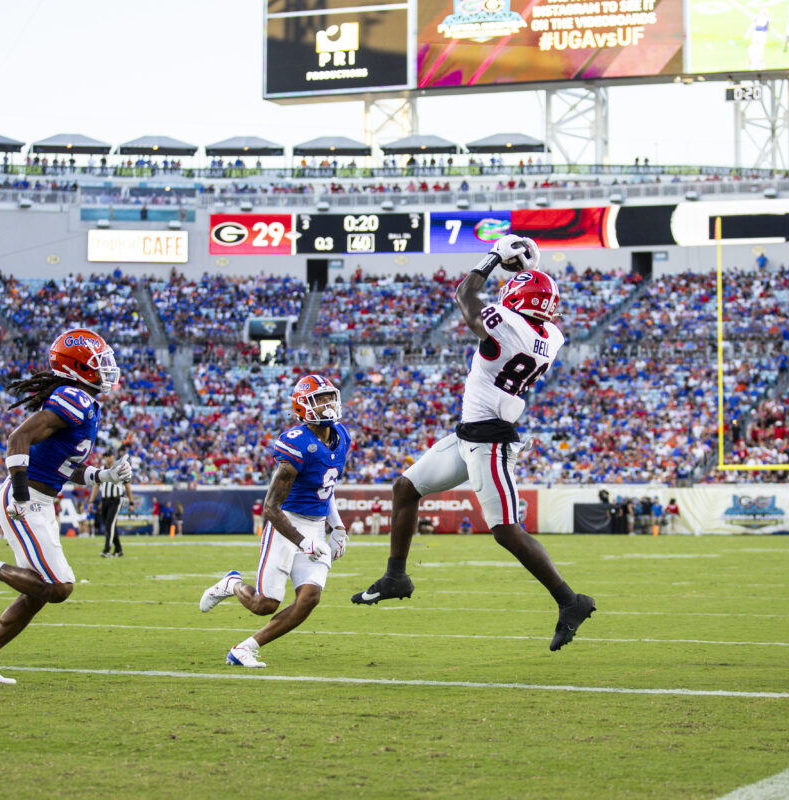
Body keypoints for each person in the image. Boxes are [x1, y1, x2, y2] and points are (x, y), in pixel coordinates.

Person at [351, 235, 595, 651]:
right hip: (469, 434)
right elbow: (530, 306)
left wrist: (495, 257)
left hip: (491, 443)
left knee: (505, 531)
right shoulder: (551, 335)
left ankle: (571, 602)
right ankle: (396, 575)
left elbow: (465, 294)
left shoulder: (507, 324)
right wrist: (525, 273)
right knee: (405, 488)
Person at [0, 328, 133, 684]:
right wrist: (19, 493)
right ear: (78, 368)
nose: (107, 370)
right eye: (99, 364)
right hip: (27, 500)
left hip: (42, 499)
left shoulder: (85, 404)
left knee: (36, 592)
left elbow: (64, 467)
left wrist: (103, 475)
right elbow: (18, 437)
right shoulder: (73, 397)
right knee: (59, 587)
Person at [198, 374, 351, 668]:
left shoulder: (341, 435)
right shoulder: (295, 443)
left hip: (316, 526)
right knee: (264, 604)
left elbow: (326, 486)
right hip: (286, 524)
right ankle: (232, 584)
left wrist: (338, 526)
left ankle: (244, 648)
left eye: (330, 396)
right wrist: (301, 540)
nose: (328, 404)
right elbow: (271, 507)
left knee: (310, 598)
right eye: (319, 399)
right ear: (303, 406)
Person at [94, 452, 132, 556]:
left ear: (113, 457)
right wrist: (90, 501)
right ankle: (119, 549)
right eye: (105, 456)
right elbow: (96, 486)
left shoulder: (120, 468)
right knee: (109, 525)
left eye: (109, 456)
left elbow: (127, 485)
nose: (107, 458)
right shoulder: (101, 469)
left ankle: (107, 549)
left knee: (109, 524)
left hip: (116, 499)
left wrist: (131, 502)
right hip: (105, 500)